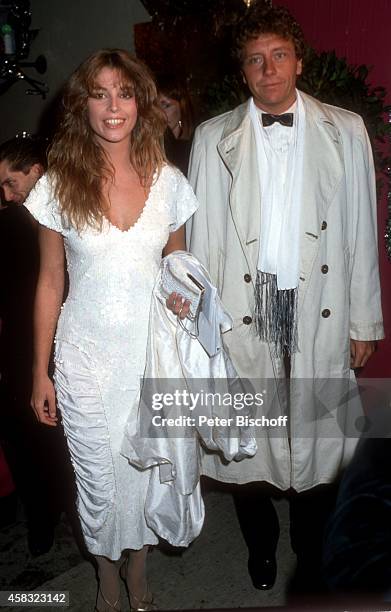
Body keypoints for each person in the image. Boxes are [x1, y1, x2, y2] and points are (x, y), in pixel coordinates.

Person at [184, 2, 384, 594]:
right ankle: (262, 548)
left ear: (298, 61)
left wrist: (364, 319)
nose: (268, 70)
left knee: (319, 443)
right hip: (247, 307)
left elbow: (359, 231)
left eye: (278, 56)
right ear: (242, 71)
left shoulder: (345, 130)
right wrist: (204, 326)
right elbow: (203, 240)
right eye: (255, 60)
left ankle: (310, 549)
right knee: (248, 447)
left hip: (320, 301)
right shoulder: (212, 136)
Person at [23, 49, 198, 612]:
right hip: (85, 359)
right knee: (99, 482)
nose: (113, 105)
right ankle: (105, 578)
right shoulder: (57, 185)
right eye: (100, 93)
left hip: (150, 357)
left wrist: (183, 297)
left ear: (141, 104)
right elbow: (50, 282)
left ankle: (140, 575)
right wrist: (38, 370)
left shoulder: (169, 183)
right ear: (84, 105)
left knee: (146, 475)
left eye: (124, 92)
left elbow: (180, 265)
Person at [0, 135, 74, 556]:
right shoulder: (8, 226)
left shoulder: (69, 216)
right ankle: (42, 521)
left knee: (67, 442)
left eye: (12, 183)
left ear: (37, 172)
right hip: (18, 351)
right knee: (29, 443)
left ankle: (76, 514)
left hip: (68, 344)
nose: (7, 195)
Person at [157, 76, 195, 175]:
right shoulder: (151, 148)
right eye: (155, 106)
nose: (159, 112)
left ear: (182, 107)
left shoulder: (194, 146)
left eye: (166, 106)